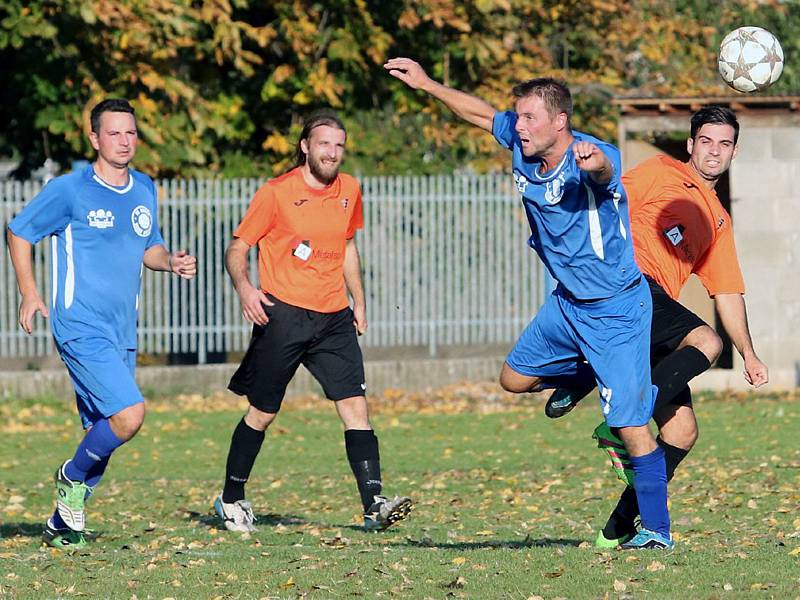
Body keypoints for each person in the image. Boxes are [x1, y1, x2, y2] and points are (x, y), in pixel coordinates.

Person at [384, 58, 672, 549]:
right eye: (517, 117)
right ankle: (582, 376)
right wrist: (427, 83)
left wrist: (593, 165)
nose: (518, 126)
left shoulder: (591, 154)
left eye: (529, 118)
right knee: (513, 379)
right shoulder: (522, 144)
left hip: (616, 309)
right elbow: (478, 115)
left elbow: (605, 173)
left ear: (560, 121)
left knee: (629, 425)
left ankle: (658, 533)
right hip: (567, 304)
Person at [544, 106, 769, 547]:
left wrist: (749, 353)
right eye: (706, 141)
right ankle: (619, 417)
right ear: (690, 145)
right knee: (704, 340)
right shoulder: (659, 172)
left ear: (734, 153)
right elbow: (608, 203)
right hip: (628, 286)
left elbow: (727, 292)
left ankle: (620, 528)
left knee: (683, 430)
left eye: (724, 144)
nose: (714, 151)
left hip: (653, 308)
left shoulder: (718, 221)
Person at [6, 98, 197, 549]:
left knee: (103, 430)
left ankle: (62, 523)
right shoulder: (70, 189)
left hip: (122, 330)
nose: (124, 141)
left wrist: (170, 261)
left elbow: (148, 246)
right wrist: (30, 292)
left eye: (130, 132)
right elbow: (18, 231)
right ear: (94, 138)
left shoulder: (145, 187)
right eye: (114, 133)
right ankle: (69, 477)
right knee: (129, 415)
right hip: (79, 323)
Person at [215, 110, 412, 533]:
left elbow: (347, 246)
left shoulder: (350, 190)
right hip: (283, 314)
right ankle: (231, 498)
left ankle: (374, 504)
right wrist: (246, 289)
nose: (332, 153)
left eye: (339, 146)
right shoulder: (275, 193)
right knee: (262, 413)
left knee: (356, 408)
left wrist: (359, 300)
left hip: (333, 317)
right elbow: (236, 249)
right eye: (324, 144)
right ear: (306, 146)